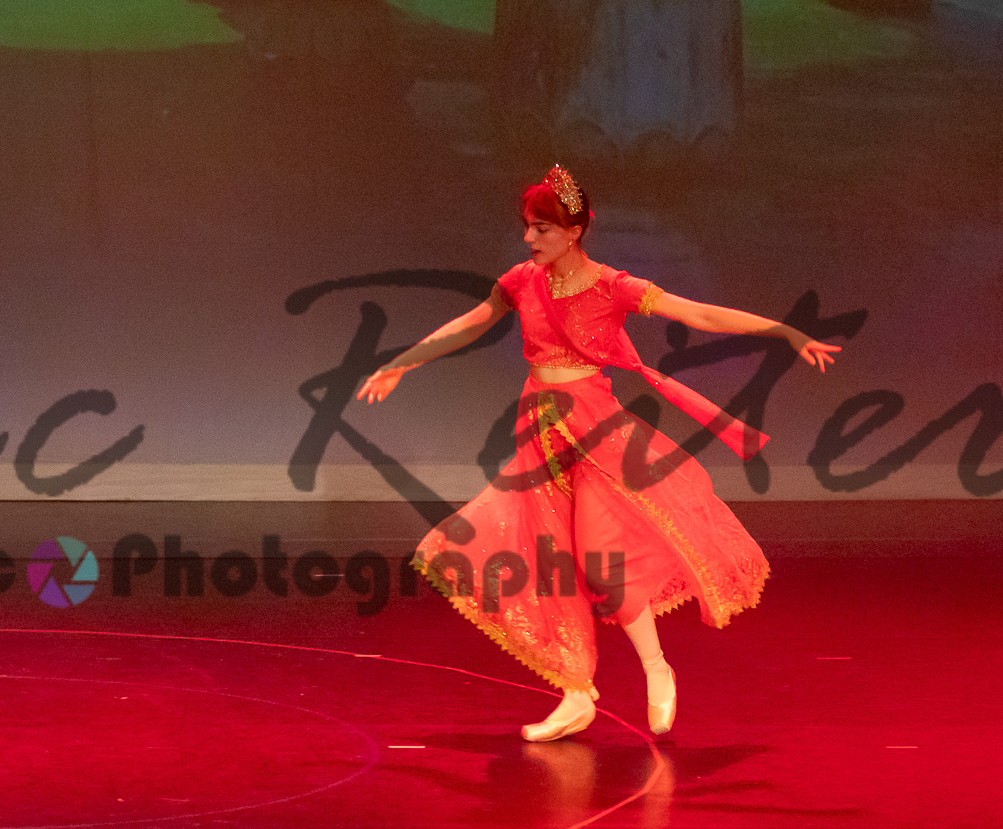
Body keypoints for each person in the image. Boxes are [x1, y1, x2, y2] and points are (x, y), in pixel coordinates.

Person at [355, 164, 840, 741]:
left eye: (541, 229)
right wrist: (402, 362)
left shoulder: (613, 286)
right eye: (527, 227)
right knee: (550, 564)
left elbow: (699, 314)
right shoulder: (521, 281)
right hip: (539, 433)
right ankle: (576, 693)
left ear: (575, 231)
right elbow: (473, 321)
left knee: (600, 564)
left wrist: (785, 333)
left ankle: (656, 668)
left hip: (595, 434)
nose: (529, 238)